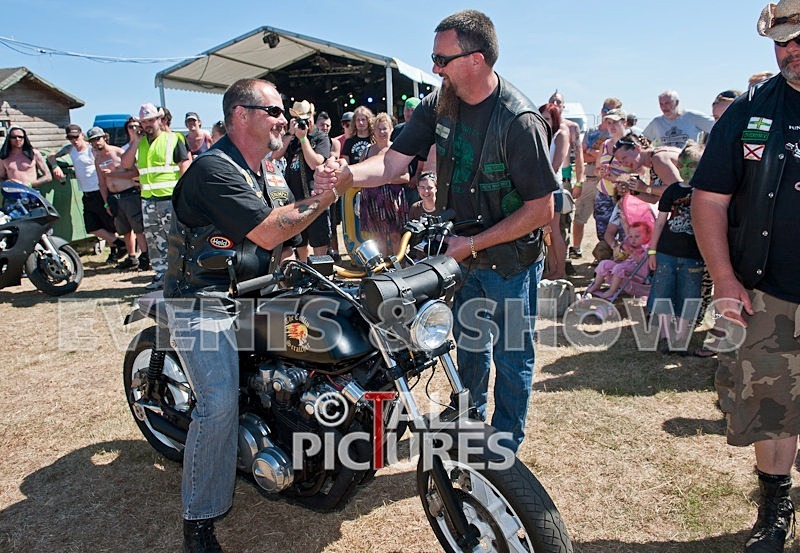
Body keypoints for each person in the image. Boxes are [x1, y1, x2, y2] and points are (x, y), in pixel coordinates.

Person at [317, 9, 558, 451]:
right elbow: (392, 163)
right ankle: (467, 427)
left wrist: (474, 244)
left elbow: (541, 210)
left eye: (441, 58)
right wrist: (347, 175)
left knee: (512, 357)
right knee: (466, 346)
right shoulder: (438, 103)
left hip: (508, 260)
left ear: (476, 60)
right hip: (461, 256)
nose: (434, 68)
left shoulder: (519, 120)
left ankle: (503, 451)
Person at [164, 78, 349, 552]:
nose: (284, 120)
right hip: (202, 300)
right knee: (219, 403)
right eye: (273, 111)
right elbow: (270, 231)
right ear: (240, 115)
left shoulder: (268, 171)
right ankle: (199, 521)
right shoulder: (213, 169)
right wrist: (324, 197)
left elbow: (289, 225)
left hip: (257, 290)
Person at [691, 2, 800, 550]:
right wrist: (726, 280)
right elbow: (708, 199)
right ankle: (775, 507)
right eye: (782, 42)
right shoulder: (753, 107)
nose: (790, 51)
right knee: (772, 409)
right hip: (768, 293)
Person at [121, 103, 190, 290]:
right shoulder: (140, 142)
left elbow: (185, 164)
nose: (148, 125)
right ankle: (161, 276)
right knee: (153, 240)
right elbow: (126, 164)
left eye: (151, 120)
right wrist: (134, 140)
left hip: (169, 198)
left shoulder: (174, 138)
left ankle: (182, 276)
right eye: (144, 122)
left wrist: (182, 194)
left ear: (159, 119)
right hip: (148, 199)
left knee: (175, 238)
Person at [647, 141, 706, 355]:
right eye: (686, 167)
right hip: (666, 253)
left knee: (688, 296)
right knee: (663, 292)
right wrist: (652, 251)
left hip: (693, 256)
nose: (689, 172)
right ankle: (667, 335)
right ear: (679, 168)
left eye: (695, 167)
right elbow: (660, 222)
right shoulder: (671, 191)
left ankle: (680, 339)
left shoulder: (705, 193)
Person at [49, 125, 124, 263]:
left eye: (76, 137)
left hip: (98, 189)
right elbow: (51, 155)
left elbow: (106, 159)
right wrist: (55, 166)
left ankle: (115, 249)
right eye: (70, 138)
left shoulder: (92, 149)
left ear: (82, 135)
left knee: (107, 223)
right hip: (86, 192)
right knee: (92, 226)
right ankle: (119, 243)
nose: (74, 140)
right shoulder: (69, 149)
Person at [274, 100, 331, 260]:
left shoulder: (320, 137)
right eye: (300, 119)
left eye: (306, 118)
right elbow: (275, 155)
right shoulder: (291, 138)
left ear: (312, 116)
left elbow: (315, 163)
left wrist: (304, 139)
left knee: (319, 245)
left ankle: (322, 280)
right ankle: (305, 276)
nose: (304, 123)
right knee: (300, 244)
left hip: (315, 199)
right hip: (294, 202)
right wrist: (290, 133)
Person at [89, 126, 147, 270]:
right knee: (124, 230)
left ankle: (145, 256)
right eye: (92, 141)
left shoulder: (119, 152)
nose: (96, 143)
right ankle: (132, 257)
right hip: (114, 198)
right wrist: (106, 203)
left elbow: (135, 172)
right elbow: (102, 184)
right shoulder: (98, 159)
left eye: (98, 139)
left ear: (104, 137)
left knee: (138, 228)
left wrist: (113, 174)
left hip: (128, 194)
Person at [573, 98, 622, 259]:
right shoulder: (593, 132)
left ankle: (608, 256)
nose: (606, 115)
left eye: (612, 112)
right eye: (606, 111)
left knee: (612, 222)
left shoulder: (620, 138)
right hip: (590, 177)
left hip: (613, 185)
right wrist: (594, 155)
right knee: (583, 216)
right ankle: (577, 249)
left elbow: (592, 154)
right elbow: (583, 156)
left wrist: (592, 153)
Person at [359, 112, 409, 255]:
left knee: (395, 235)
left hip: (393, 199)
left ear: (391, 129)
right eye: (379, 129)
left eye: (385, 128)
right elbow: (361, 174)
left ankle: (400, 269)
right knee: (378, 237)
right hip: (372, 199)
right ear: (373, 131)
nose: (382, 132)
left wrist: (384, 178)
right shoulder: (367, 151)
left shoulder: (398, 149)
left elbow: (406, 177)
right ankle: (384, 270)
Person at [539, 102, 569, 279]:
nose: (543, 121)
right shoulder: (538, 134)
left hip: (552, 190)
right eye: (541, 117)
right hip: (540, 190)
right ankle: (552, 270)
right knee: (547, 233)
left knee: (554, 231)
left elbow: (556, 165)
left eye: (547, 118)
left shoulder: (560, 135)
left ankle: (561, 271)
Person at [585, 220, 651, 299]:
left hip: (638, 273)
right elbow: (627, 231)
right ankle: (596, 284)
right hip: (625, 268)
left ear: (646, 236)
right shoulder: (631, 243)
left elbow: (641, 262)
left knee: (618, 268)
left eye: (637, 236)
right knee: (604, 263)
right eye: (631, 237)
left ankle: (612, 291)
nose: (633, 240)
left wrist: (631, 253)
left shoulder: (646, 247)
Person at [642, 90, 715, 148]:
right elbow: (643, 140)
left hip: (688, 163)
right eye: (661, 104)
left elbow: (717, 127)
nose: (664, 107)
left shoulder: (692, 117)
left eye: (667, 103)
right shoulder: (657, 122)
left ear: (676, 102)